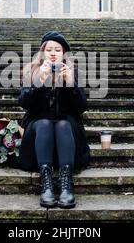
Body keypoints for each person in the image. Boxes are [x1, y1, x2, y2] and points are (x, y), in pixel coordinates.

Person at [17, 31, 90, 209]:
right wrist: (39, 81)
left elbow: (81, 107)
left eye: (57, 49)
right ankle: (46, 183)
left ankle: (66, 183)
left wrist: (71, 84)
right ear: (43, 52)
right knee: (44, 123)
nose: (53, 53)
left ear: (63, 53)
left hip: (67, 134)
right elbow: (24, 103)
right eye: (49, 49)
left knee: (63, 124)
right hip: (38, 134)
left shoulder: (73, 72)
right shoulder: (32, 70)